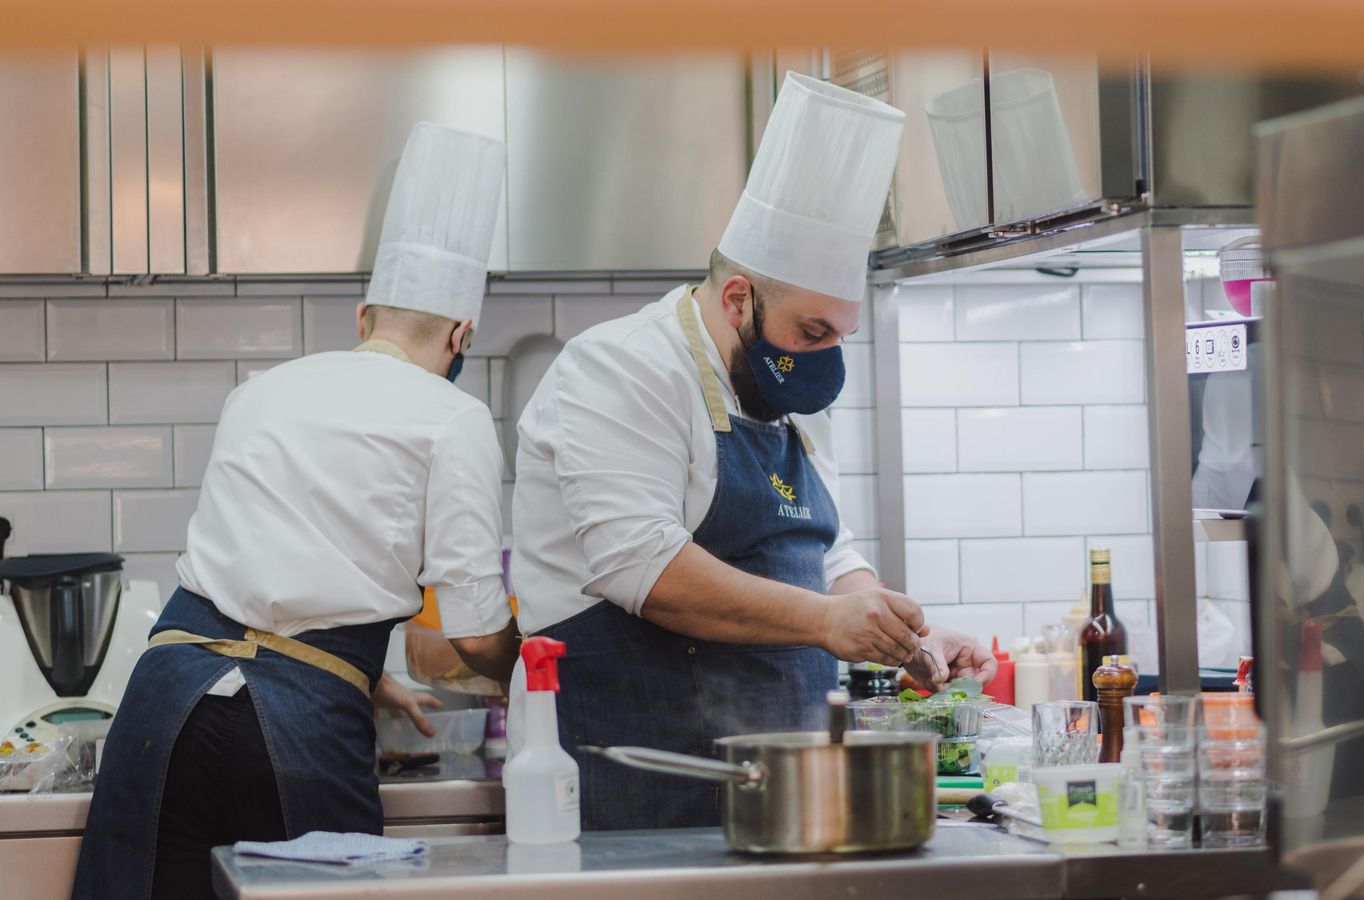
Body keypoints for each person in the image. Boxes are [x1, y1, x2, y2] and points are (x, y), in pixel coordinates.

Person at [510, 73, 997, 831]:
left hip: (780, 778)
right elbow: (646, 568)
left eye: (841, 336)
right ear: (738, 299)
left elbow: (828, 554)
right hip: (639, 765)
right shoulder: (619, 369)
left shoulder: (786, 389)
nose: (824, 358)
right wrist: (828, 624)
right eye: (811, 333)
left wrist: (906, 635)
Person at [73, 123, 521, 900]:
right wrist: (530, 672)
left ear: (363, 318)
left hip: (163, 701)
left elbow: (264, 594)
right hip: (297, 727)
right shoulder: (453, 418)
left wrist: (370, 678)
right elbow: (476, 633)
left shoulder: (259, 391)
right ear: (463, 336)